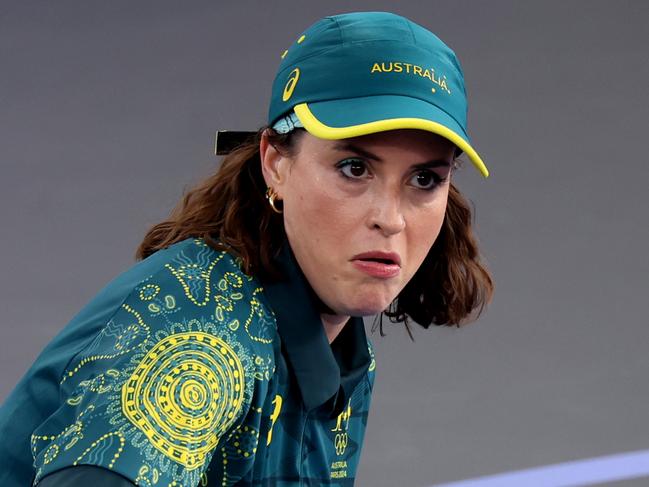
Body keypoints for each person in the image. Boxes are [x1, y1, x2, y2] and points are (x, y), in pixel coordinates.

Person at [0, 10, 493, 486]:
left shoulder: (339, 348)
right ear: (275, 163)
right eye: (354, 169)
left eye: (425, 179)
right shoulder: (197, 339)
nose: (391, 218)